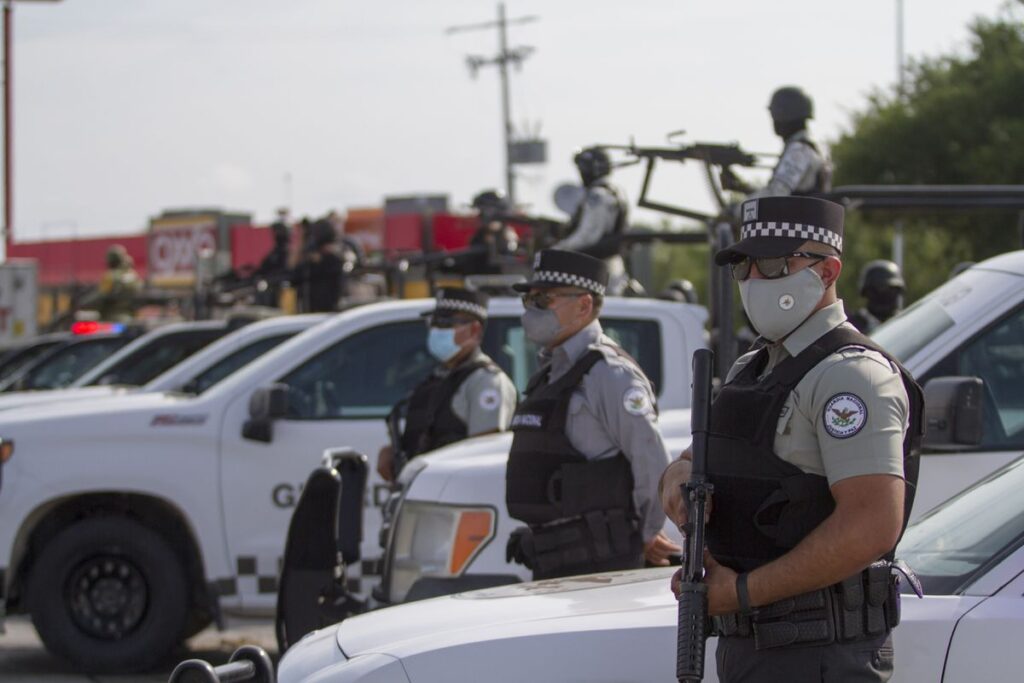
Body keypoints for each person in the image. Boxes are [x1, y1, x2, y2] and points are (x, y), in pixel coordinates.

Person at [659, 196, 923, 682]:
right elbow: (692, 460)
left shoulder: (852, 375)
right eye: (744, 266)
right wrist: (677, 484)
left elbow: (871, 524)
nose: (754, 279)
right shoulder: (752, 368)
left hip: (817, 652)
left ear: (827, 271)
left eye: (774, 264)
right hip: (752, 646)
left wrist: (742, 592)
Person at [505, 249, 680, 580]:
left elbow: (651, 459)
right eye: (528, 300)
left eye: (542, 300)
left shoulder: (610, 374)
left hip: (602, 563)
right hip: (555, 559)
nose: (530, 310)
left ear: (584, 305)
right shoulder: (549, 373)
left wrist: (645, 534)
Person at [377, 288, 518, 483]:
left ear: (474, 330)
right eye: (433, 323)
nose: (436, 330)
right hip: (425, 488)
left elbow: (484, 455)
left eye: (445, 323)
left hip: (457, 491)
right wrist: (391, 452)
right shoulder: (437, 379)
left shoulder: (486, 382)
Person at [727, 87, 831, 199]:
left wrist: (738, 207)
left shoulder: (799, 151)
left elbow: (776, 195)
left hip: (797, 211)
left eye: (774, 116)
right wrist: (742, 187)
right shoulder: (810, 147)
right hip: (800, 209)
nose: (774, 122)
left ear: (785, 116)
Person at [552, 147, 631, 295]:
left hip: (595, 270)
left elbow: (588, 235)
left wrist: (557, 250)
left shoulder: (597, 195)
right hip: (609, 267)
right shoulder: (617, 191)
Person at [293, 219, 343, 313]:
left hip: (327, 308)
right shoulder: (311, 260)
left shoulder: (334, 260)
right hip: (311, 308)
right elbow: (295, 276)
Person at [848, 259, 905, 333]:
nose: (887, 297)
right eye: (881, 290)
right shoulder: (854, 326)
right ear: (868, 292)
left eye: (894, 290)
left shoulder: (904, 323)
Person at [253, 212, 292, 307]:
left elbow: (287, 270)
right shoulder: (275, 253)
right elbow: (263, 267)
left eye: (278, 231)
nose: (276, 234)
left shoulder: (288, 252)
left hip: (279, 287)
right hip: (269, 283)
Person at [96, 244, 141, 321]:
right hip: (131, 317)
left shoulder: (110, 276)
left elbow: (100, 296)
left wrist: (82, 303)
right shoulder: (134, 275)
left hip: (112, 317)